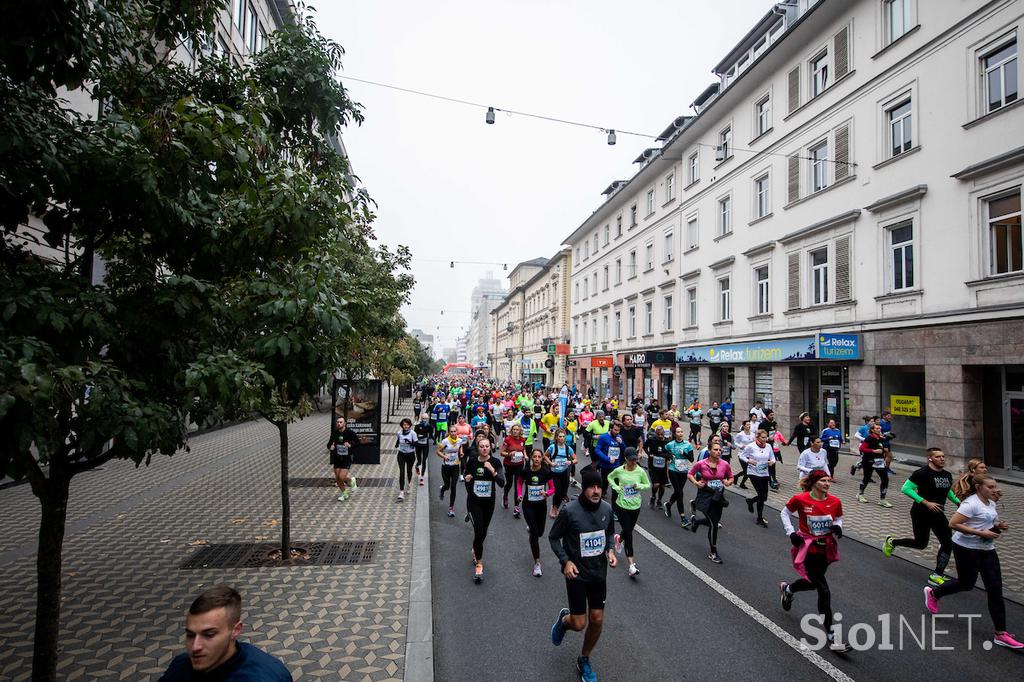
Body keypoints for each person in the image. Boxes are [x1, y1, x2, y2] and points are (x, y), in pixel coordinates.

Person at [924, 474, 1022, 649]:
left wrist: (997, 527)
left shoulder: (991, 503)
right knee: (966, 583)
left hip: (987, 550)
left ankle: (1001, 634)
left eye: (995, 486)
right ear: (979, 488)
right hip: (965, 549)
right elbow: (953, 524)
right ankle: (934, 594)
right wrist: (981, 534)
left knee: (995, 589)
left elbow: (985, 522)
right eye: (990, 487)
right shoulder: (970, 504)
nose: (995, 490)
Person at [549, 468, 617, 682]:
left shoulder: (606, 508)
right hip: (576, 574)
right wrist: (565, 561)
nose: (596, 491)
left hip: (598, 574)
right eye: (591, 487)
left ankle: (584, 658)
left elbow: (607, 533)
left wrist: (611, 551)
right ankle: (564, 621)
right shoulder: (569, 511)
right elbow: (553, 538)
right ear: (583, 488)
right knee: (579, 624)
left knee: (597, 620)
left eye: (599, 487)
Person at [779, 470, 850, 653]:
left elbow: (839, 517)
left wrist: (838, 526)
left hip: (825, 548)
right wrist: (791, 533)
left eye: (828, 481)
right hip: (807, 548)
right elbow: (784, 513)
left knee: (812, 583)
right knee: (823, 590)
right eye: (823, 481)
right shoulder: (801, 499)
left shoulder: (835, 501)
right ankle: (832, 636)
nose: (827, 483)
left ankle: (788, 589)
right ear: (814, 483)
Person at [159, 585, 291, 680]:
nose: (195, 647)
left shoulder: (264, 676)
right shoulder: (180, 666)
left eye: (209, 635)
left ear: (236, 630)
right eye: (190, 635)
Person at [883, 448, 960, 586]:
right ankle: (892, 542)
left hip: (938, 513)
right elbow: (906, 488)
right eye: (938, 457)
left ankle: (937, 575)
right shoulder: (922, 473)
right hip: (921, 513)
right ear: (930, 458)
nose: (942, 459)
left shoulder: (947, 475)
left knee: (948, 543)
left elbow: (947, 491)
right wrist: (926, 502)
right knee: (921, 544)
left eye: (943, 456)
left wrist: (958, 503)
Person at [463, 438, 505, 583]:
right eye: (482, 446)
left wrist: (492, 471)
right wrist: (467, 478)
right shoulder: (472, 462)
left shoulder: (496, 462)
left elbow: (501, 483)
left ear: (490, 447)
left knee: (483, 531)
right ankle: (479, 564)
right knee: (479, 531)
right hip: (474, 503)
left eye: (487, 446)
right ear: (478, 448)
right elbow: (466, 477)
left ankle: (476, 547)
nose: (485, 448)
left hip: (489, 503)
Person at [607, 447, 651, 578]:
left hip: (636, 506)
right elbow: (610, 477)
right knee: (629, 534)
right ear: (626, 459)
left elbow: (647, 484)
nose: (633, 462)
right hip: (622, 506)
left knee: (628, 530)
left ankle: (618, 539)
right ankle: (631, 565)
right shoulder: (619, 470)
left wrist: (639, 486)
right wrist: (615, 487)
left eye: (635, 459)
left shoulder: (640, 471)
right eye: (631, 460)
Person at [687, 441, 733, 564]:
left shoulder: (725, 464)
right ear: (709, 450)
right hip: (706, 495)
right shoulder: (701, 464)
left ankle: (697, 521)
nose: (719, 452)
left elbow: (730, 477)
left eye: (720, 450)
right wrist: (696, 483)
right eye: (716, 450)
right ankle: (713, 552)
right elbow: (690, 474)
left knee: (714, 521)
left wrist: (728, 482)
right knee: (713, 525)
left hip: (718, 496)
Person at [520, 448, 555, 576]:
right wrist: (519, 495)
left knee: (540, 532)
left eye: (539, 457)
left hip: (541, 506)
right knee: (535, 533)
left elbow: (552, 488)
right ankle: (537, 563)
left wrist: (547, 493)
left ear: (542, 458)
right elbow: (519, 483)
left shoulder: (546, 472)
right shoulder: (526, 471)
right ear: (531, 457)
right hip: (528, 505)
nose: (536, 459)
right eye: (534, 456)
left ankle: (532, 531)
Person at [742, 430, 775, 528]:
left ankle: (751, 501)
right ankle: (759, 518)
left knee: (764, 497)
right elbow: (741, 455)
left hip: (764, 473)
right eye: (763, 437)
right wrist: (749, 461)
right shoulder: (751, 446)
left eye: (766, 437)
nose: (765, 439)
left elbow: (772, 458)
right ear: (758, 437)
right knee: (761, 495)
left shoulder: (768, 446)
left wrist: (772, 462)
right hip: (753, 473)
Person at [664, 426, 694, 527]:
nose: (680, 434)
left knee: (678, 492)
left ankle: (668, 504)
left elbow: (691, 459)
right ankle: (683, 518)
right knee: (680, 493)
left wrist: (684, 453)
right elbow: (664, 452)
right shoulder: (670, 444)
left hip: (683, 471)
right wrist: (668, 456)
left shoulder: (688, 445)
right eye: (678, 432)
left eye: (681, 432)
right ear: (675, 434)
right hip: (673, 470)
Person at [546, 428, 577, 518]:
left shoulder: (568, 448)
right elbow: (545, 456)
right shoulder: (552, 447)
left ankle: (556, 507)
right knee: (558, 491)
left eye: (563, 436)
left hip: (564, 472)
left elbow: (576, 459)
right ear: (556, 437)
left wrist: (570, 462)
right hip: (555, 473)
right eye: (560, 437)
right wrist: (551, 463)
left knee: (563, 493)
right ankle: (554, 508)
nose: (562, 438)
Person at [857, 423, 890, 507]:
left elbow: (882, 448)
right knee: (867, 478)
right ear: (872, 430)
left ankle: (882, 499)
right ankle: (860, 494)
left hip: (879, 461)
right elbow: (862, 448)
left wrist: (885, 450)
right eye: (877, 428)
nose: (879, 430)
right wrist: (873, 451)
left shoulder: (880, 438)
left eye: (880, 428)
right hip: (869, 461)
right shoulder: (869, 438)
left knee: (885, 478)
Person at [500, 422, 528, 517]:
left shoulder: (522, 439)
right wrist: (509, 454)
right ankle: (505, 495)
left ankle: (516, 507)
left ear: (520, 431)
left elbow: (523, 449)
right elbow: (502, 452)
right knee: (509, 483)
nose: (515, 431)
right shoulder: (508, 439)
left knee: (517, 484)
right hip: (509, 464)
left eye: (517, 430)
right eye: (514, 430)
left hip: (519, 464)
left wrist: (525, 455)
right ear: (511, 431)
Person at [328, 417, 359, 501]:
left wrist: (350, 445)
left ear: (344, 423)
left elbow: (357, 442)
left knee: (342, 477)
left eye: (341, 422)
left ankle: (352, 480)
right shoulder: (335, 433)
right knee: (337, 478)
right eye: (337, 422)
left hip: (347, 457)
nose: (339, 424)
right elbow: (329, 444)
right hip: (337, 458)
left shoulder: (350, 433)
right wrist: (331, 446)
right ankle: (344, 493)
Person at [593, 420, 625, 496]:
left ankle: (615, 498)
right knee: (605, 481)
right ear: (610, 428)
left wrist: (621, 443)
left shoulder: (619, 437)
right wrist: (607, 459)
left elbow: (624, 449)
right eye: (615, 430)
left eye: (619, 430)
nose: (617, 432)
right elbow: (597, 450)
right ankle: (603, 491)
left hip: (616, 465)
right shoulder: (603, 437)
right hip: (605, 465)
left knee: (616, 482)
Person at [437, 429, 463, 517]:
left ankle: (451, 508)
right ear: (449, 432)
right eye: (451, 431)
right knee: (447, 486)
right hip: (446, 467)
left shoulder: (459, 440)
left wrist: (461, 452)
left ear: (457, 432)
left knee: (453, 486)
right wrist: (444, 456)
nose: (453, 433)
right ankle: (442, 489)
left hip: (455, 466)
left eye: (454, 431)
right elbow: (438, 451)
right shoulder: (445, 441)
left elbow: (460, 446)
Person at [645, 425, 669, 509]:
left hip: (663, 465)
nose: (660, 436)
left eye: (661, 434)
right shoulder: (651, 439)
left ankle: (659, 500)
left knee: (662, 486)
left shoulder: (667, 441)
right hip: (653, 464)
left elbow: (669, 452)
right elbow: (645, 446)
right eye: (658, 435)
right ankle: (653, 496)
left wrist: (666, 456)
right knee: (656, 484)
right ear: (655, 433)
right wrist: (648, 454)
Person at [395, 418, 418, 502]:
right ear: (402, 425)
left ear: (410, 425)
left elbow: (416, 444)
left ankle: (409, 483)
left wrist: (410, 442)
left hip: (411, 455)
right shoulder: (399, 433)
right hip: (401, 455)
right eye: (404, 425)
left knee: (409, 471)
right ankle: (401, 492)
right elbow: (398, 440)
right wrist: (396, 445)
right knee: (402, 472)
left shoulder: (413, 433)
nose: (406, 426)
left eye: (407, 425)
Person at [732, 420, 755, 489]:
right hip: (742, 455)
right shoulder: (740, 434)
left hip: (750, 455)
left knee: (749, 470)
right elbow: (735, 442)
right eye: (747, 425)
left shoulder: (752, 434)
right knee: (746, 470)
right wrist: (740, 446)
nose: (749, 426)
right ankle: (738, 479)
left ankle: (738, 479)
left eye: (749, 424)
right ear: (744, 426)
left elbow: (754, 443)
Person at [414, 413, 431, 486]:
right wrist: (422, 436)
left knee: (424, 461)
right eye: (423, 418)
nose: (425, 420)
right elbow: (415, 435)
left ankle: (422, 478)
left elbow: (431, 435)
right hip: (418, 445)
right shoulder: (417, 426)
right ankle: (417, 466)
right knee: (419, 461)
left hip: (425, 446)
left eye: (426, 419)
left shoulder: (430, 426)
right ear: (421, 418)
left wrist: (438, 443)